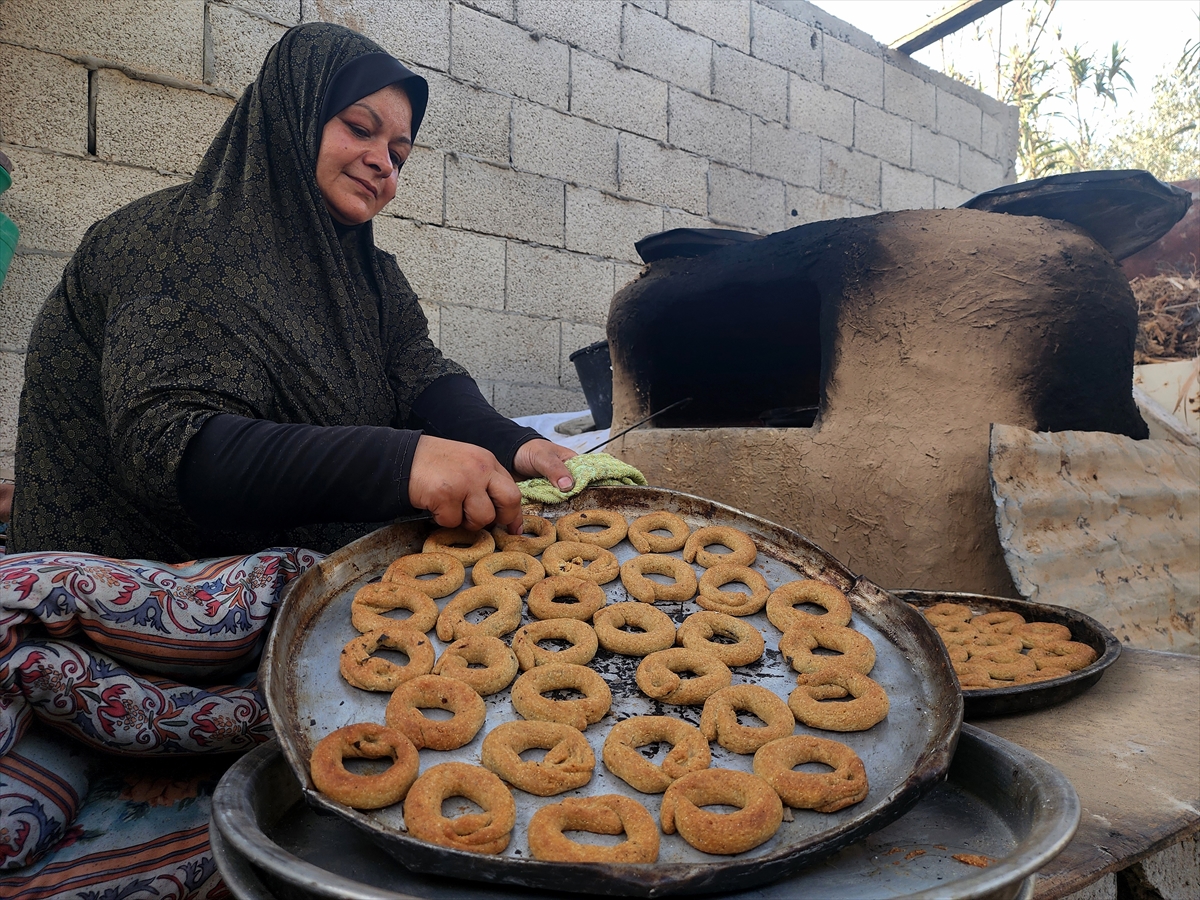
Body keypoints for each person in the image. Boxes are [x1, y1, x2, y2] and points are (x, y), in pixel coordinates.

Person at [8, 22, 576, 562]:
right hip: (137, 575)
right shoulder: (169, 242)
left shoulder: (372, 277)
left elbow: (421, 375)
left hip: (295, 563)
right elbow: (170, 445)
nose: (383, 163)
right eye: (360, 129)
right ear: (294, 114)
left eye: (399, 155)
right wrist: (401, 464)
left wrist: (513, 442)